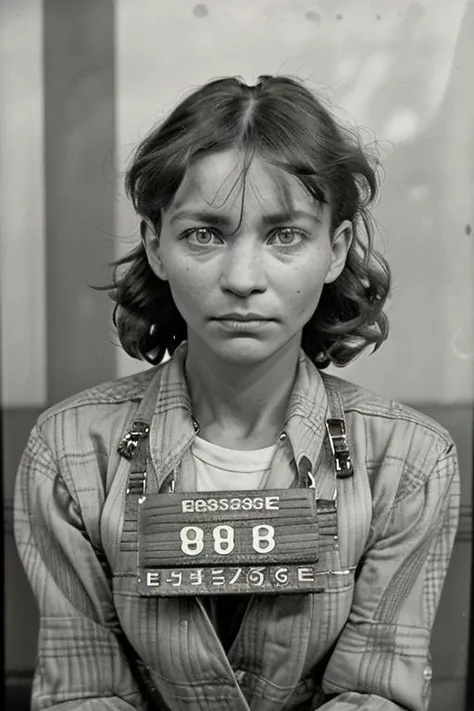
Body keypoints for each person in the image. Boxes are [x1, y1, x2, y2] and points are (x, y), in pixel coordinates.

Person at [14, 75, 459, 711]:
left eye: (285, 235)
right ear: (155, 246)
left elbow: (373, 693)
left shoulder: (408, 462)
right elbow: (83, 692)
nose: (242, 279)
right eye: (205, 233)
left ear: (333, 252)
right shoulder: (71, 452)